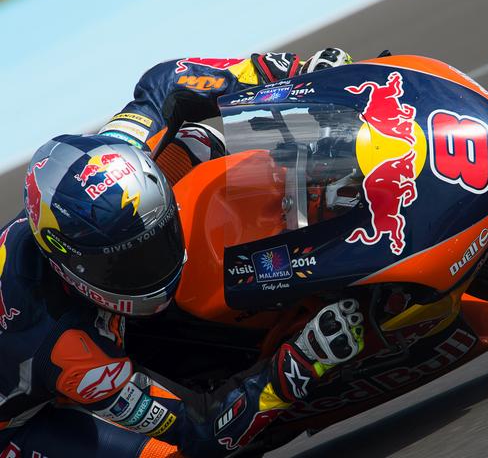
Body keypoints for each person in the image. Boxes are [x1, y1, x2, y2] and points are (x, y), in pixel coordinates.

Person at [0, 49, 360, 458]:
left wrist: (291, 74)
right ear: (70, 266)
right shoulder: (72, 352)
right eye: (128, 261)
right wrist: (297, 365)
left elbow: (166, 84)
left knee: (194, 144)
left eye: (157, 240)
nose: (159, 260)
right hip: (16, 425)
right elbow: (198, 429)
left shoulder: (114, 157)